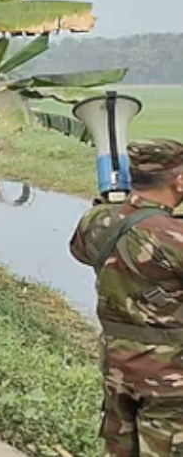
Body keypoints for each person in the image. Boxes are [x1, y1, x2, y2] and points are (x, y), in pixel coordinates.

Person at [69, 139, 183, 457]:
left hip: (117, 366)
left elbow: (80, 251)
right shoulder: (174, 236)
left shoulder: (96, 221)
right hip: (169, 377)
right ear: (179, 180)